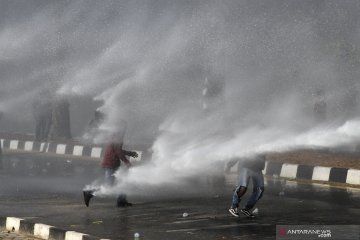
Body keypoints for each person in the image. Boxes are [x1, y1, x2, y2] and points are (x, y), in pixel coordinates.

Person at [83, 120, 138, 207]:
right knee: (109, 186)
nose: (124, 129)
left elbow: (117, 150)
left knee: (122, 181)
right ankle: (89, 192)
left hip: (112, 163)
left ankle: (121, 200)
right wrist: (127, 162)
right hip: (110, 164)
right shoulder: (117, 137)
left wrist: (129, 153)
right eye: (123, 127)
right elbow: (118, 152)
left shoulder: (116, 136)